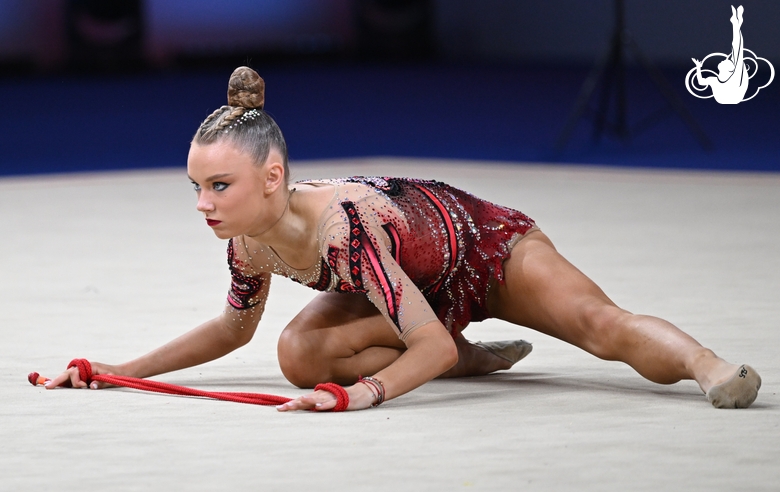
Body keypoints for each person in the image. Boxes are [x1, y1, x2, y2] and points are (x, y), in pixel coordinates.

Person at [46, 66, 761, 410]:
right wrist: (117, 370)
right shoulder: (248, 242)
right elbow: (234, 331)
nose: (203, 205)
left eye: (219, 187)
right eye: (196, 188)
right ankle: (474, 360)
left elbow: (422, 344)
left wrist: (359, 396)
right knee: (299, 352)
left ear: (272, 176)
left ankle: (708, 366)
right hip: (409, 285)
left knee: (600, 327)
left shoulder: (343, 230)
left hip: (484, 251)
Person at [692, 5, 748, 104]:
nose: (725, 59)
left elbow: (737, 49)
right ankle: (736, 24)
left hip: (733, 96)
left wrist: (736, 26)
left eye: (727, 61)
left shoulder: (734, 77)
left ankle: (736, 24)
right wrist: (698, 67)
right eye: (728, 60)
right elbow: (701, 82)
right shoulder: (714, 80)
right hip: (727, 97)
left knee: (737, 51)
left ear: (729, 69)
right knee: (736, 51)